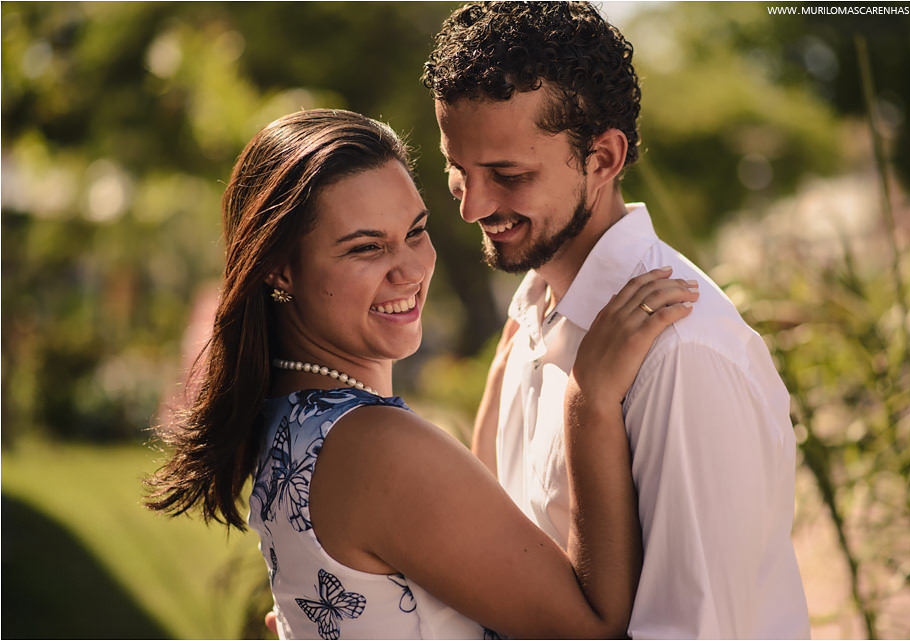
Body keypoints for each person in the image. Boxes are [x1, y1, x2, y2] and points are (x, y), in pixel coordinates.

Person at [146, 108, 698, 638]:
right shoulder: (377, 446)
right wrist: (589, 399)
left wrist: (510, 354)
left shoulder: (292, 415)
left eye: (415, 231)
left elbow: (464, 524)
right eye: (366, 248)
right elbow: (593, 626)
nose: (409, 269)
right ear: (280, 268)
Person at [421, 2, 811, 638]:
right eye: (457, 172)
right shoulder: (532, 310)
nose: (474, 208)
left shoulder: (681, 353)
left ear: (602, 159)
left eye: (508, 175)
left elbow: (692, 629)